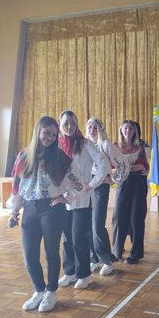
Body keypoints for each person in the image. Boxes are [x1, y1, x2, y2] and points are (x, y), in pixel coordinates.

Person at [7, 115, 84, 312]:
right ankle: (39, 290)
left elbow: (79, 182)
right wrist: (14, 211)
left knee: (51, 252)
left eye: (53, 135)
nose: (49, 137)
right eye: (46, 133)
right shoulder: (24, 156)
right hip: (30, 209)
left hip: (52, 209)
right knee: (29, 254)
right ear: (38, 131)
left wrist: (66, 198)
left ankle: (51, 292)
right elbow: (17, 186)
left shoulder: (60, 157)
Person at [57, 110, 111, 289]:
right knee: (67, 238)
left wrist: (92, 184)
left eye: (73, 123)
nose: (69, 127)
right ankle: (70, 272)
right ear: (60, 125)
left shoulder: (85, 143)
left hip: (82, 199)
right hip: (63, 199)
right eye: (66, 123)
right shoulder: (57, 145)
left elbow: (104, 164)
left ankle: (84, 275)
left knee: (79, 237)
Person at [85, 117, 130, 275]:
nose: (92, 130)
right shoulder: (84, 144)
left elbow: (123, 164)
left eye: (95, 127)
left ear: (100, 129)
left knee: (97, 225)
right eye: (89, 126)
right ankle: (94, 259)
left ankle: (107, 261)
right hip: (86, 188)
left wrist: (110, 177)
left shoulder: (105, 144)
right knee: (87, 225)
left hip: (100, 188)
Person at [111, 119, 149, 264]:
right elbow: (111, 168)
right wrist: (132, 167)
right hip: (123, 182)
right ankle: (116, 251)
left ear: (135, 131)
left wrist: (128, 168)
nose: (128, 131)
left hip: (139, 183)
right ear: (121, 130)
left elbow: (145, 168)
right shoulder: (115, 147)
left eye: (131, 129)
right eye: (125, 128)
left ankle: (136, 254)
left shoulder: (141, 146)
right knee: (118, 216)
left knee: (136, 218)